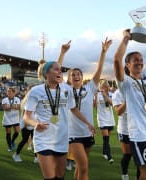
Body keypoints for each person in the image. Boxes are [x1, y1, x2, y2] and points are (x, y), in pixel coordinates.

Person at [23, 60, 95, 180]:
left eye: (60, 70)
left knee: (60, 177)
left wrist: (88, 124)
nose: (59, 71)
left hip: (61, 139)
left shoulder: (66, 91)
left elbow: (74, 109)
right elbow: (26, 116)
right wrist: (35, 124)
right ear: (46, 73)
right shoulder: (36, 91)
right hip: (43, 139)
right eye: (56, 69)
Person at [113, 19, 146, 180]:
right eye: (135, 59)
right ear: (127, 65)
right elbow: (116, 60)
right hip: (141, 137)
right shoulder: (125, 83)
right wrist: (126, 38)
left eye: (141, 59)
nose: (140, 62)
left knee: (144, 174)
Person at [57, 38, 112, 179]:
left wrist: (103, 52)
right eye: (72, 75)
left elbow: (99, 69)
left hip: (88, 133)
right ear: (69, 79)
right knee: (84, 167)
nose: (76, 76)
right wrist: (62, 52)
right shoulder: (66, 89)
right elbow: (57, 73)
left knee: (80, 170)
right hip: (73, 134)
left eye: (78, 74)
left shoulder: (90, 87)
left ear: (82, 77)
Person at [12, 85, 38, 163]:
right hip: (27, 124)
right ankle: (16, 154)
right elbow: (24, 114)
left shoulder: (34, 99)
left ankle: (37, 157)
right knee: (24, 140)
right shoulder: (27, 100)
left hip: (34, 123)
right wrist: (26, 124)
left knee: (36, 141)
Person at [112, 89, 133, 180]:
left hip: (138, 130)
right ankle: (124, 174)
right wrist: (128, 100)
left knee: (139, 158)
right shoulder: (117, 93)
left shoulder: (137, 89)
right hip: (125, 130)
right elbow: (118, 112)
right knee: (127, 155)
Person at [94, 79, 115, 164]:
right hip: (102, 119)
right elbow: (94, 106)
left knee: (107, 138)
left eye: (106, 87)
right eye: (103, 87)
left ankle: (104, 152)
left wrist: (105, 95)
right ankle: (109, 156)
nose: (104, 88)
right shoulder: (97, 95)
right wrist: (95, 97)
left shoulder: (111, 94)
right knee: (106, 138)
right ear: (100, 87)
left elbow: (112, 104)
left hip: (110, 119)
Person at [2, 87, 21, 152]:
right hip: (7, 119)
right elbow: (5, 108)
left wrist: (10, 107)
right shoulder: (4, 99)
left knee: (17, 131)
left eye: (10, 91)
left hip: (15, 118)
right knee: (8, 133)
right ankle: (9, 147)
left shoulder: (17, 99)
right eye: (8, 91)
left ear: (13, 93)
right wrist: (13, 106)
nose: (8, 93)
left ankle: (12, 141)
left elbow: (18, 107)